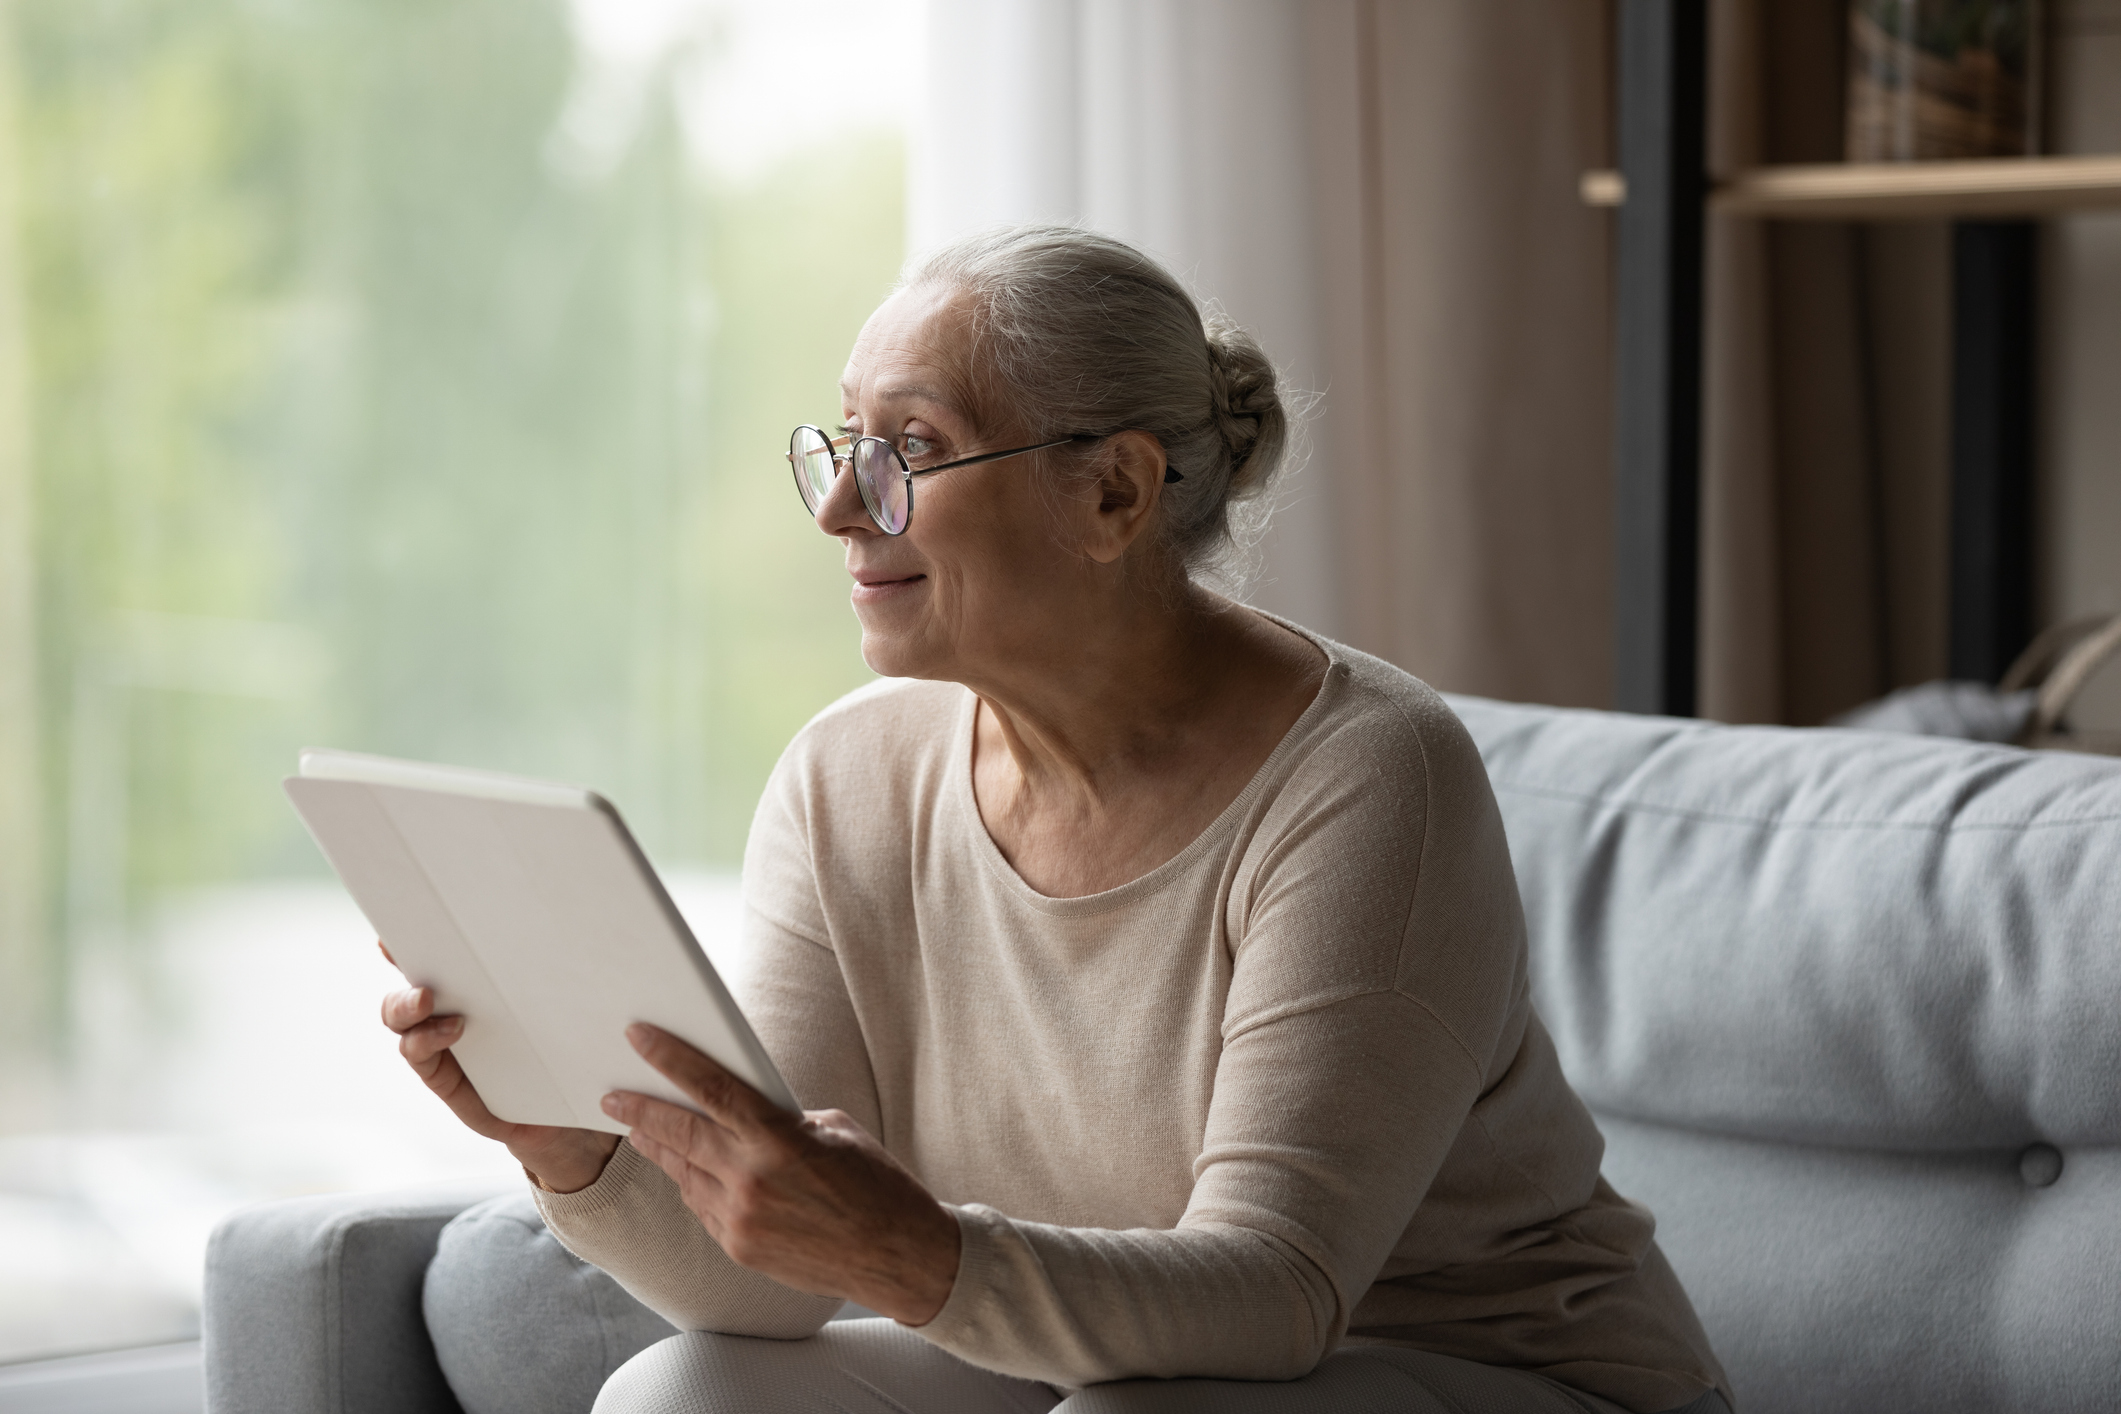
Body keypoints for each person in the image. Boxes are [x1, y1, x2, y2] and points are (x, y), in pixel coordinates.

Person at [381, 225, 1734, 1414]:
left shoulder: (1369, 777)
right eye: (845, 442)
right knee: (689, 1390)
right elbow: (767, 1288)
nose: (845, 507)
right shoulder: (844, 778)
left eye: (911, 446)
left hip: (1501, 1375)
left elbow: (1275, 1296)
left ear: (1113, 493)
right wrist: (568, 1143)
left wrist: (912, 1254)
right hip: (1105, 1368)